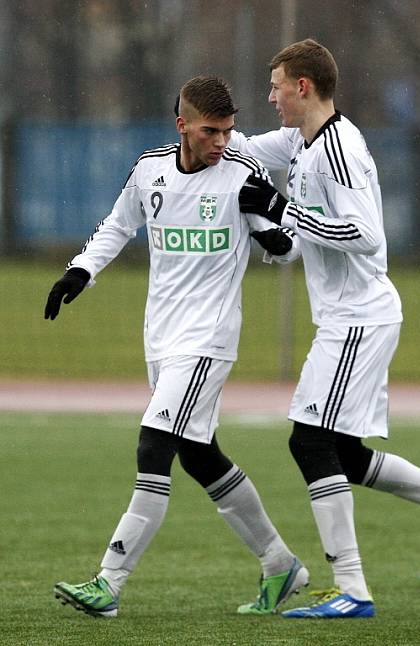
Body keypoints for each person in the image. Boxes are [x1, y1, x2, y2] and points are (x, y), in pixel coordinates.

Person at [232, 39, 420, 619]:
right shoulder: (300, 140)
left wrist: (281, 212)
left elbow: (365, 234)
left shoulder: (338, 148)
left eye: (276, 86)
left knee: (307, 441)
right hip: (350, 316)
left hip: (359, 317)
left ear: (302, 87)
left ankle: (352, 588)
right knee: (345, 456)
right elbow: (239, 148)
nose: (270, 96)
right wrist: (197, 131)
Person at [47, 76, 307, 618]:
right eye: (212, 131)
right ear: (182, 125)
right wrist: (79, 271)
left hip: (207, 341)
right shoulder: (151, 170)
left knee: (152, 446)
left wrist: (276, 231)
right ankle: (280, 564)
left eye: (230, 131)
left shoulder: (242, 174)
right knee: (198, 454)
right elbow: (117, 226)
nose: (222, 142)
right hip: (161, 340)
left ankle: (109, 582)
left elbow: (286, 248)